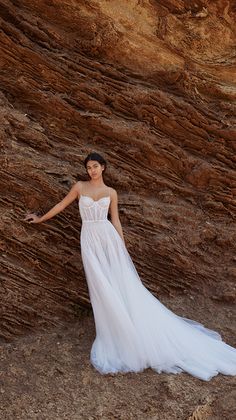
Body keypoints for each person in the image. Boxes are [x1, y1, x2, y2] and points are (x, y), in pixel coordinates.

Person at [25, 152, 236, 380]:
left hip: (109, 240)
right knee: (101, 287)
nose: (92, 170)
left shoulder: (111, 193)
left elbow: (115, 220)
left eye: (95, 166)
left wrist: (122, 248)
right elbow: (61, 205)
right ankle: (116, 333)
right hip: (89, 240)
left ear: (103, 168)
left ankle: (132, 330)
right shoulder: (79, 187)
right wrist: (41, 218)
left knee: (121, 284)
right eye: (89, 167)